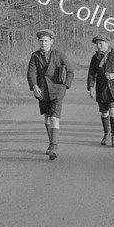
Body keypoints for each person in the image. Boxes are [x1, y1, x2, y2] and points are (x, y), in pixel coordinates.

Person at [27, 29, 75, 160]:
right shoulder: (35, 56)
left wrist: (65, 86)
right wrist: (34, 86)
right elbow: (31, 73)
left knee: (54, 118)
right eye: (41, 41)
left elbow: (70, 70)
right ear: (38, 42)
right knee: (47, 118)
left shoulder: (58, 54)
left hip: (57, 90)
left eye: (46, 41)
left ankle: (53, 147)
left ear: (51, 42)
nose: (43, 43)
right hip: (42, 91)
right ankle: (50, 143)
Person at [87, 35, 114, 147]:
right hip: (101, 89)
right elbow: (91, 73)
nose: (98, 46)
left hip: (113, 88)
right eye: (97, 44)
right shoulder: (95, 58)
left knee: (113, 111)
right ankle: (106, 134)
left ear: (108, 43)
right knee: (104, 112)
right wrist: (91, 87)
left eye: (101, 43)